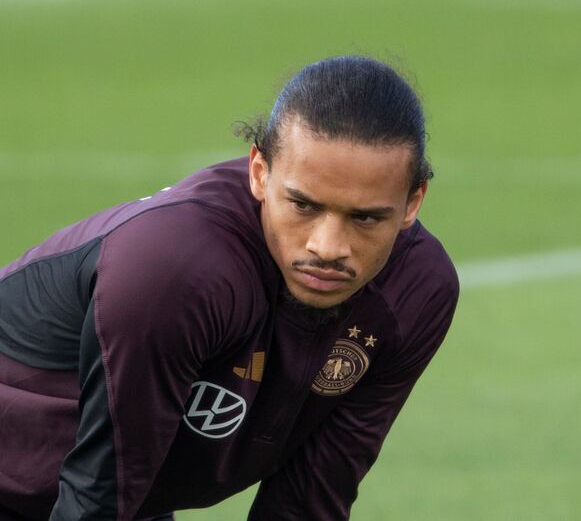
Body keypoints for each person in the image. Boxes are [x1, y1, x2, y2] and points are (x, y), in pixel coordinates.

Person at [0, 56, 459, 520]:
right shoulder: (174, 271)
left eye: (365, 217)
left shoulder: (415, 290)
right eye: (302, 204)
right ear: (259, 172)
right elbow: (100, 496)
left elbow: (309, 499)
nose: (327, 247)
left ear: (412, 202)